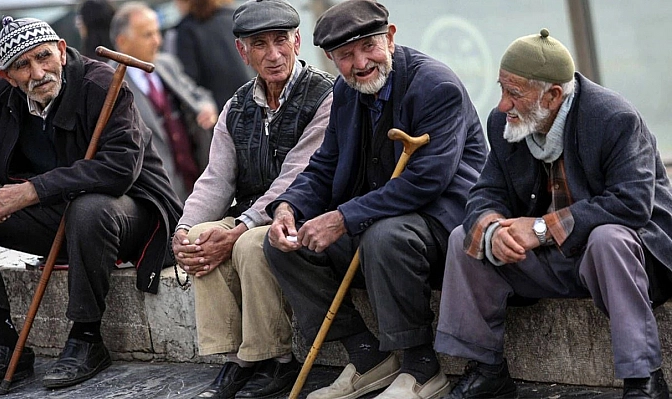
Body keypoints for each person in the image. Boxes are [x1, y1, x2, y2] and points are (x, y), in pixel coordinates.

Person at [263, 1, 487, 398]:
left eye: (369, 47)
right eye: (345, 56)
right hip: (376, 221)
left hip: (441, 224)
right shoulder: (345, 93)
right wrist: (288, 207)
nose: (360, 63)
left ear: (391, 36)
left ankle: (420, 367)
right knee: (284, 246)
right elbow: (323, 166)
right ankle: (367, 356)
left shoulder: (436, 86)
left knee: (384, 235)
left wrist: (343, 218)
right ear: (331, 58)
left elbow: (426, 182)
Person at [435, 29, 672, 399]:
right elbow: (486, 191)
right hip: (550, 261)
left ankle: (644, 379)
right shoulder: (504, 124)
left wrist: (543, 228)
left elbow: (633, 203)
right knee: (465, 237)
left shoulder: (614, 118)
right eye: (501, 89)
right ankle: (486, 370)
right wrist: (495, 228)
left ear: (553, 95)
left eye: (514, 93)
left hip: (621, 260)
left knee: (608, 237)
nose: (501, 105)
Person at [0, 16, 182, 393]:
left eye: (44, 57)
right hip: (55, 217)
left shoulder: (102, 85)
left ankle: (86, 338)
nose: (37, 72)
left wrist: (28, 191)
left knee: (89, 207)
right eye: (22, 65)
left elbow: (119, 169)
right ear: (6, 76)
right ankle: (3, 340)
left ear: (62, 51)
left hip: (129, 214)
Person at [171, 0, 334, 397]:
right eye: (259, 44)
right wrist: (184, 227)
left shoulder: (325, 96)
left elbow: (297, 176)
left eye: (281, 41)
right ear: (243, 52)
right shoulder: (236, 106)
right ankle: (237, 358)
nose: (273, 54)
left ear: (298, 42)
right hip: (250, 212)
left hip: (303, 215)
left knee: (247, 243)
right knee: (200, 239)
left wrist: (244, 224)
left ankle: (276, 358)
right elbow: (215, 180)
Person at [111, 1, 219, 201]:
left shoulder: (166, 64)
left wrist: (206, 108)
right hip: (157, 192)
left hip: (197, 181)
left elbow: (199, 95)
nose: (157, 41)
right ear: (122, 41)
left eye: (157, 32)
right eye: (148, 35)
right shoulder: (109, 81)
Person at [167, 0, 253, 111]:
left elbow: (189, 79)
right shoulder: (234, 16)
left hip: (223, 111)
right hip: (254, 98)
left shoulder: (186, 30)